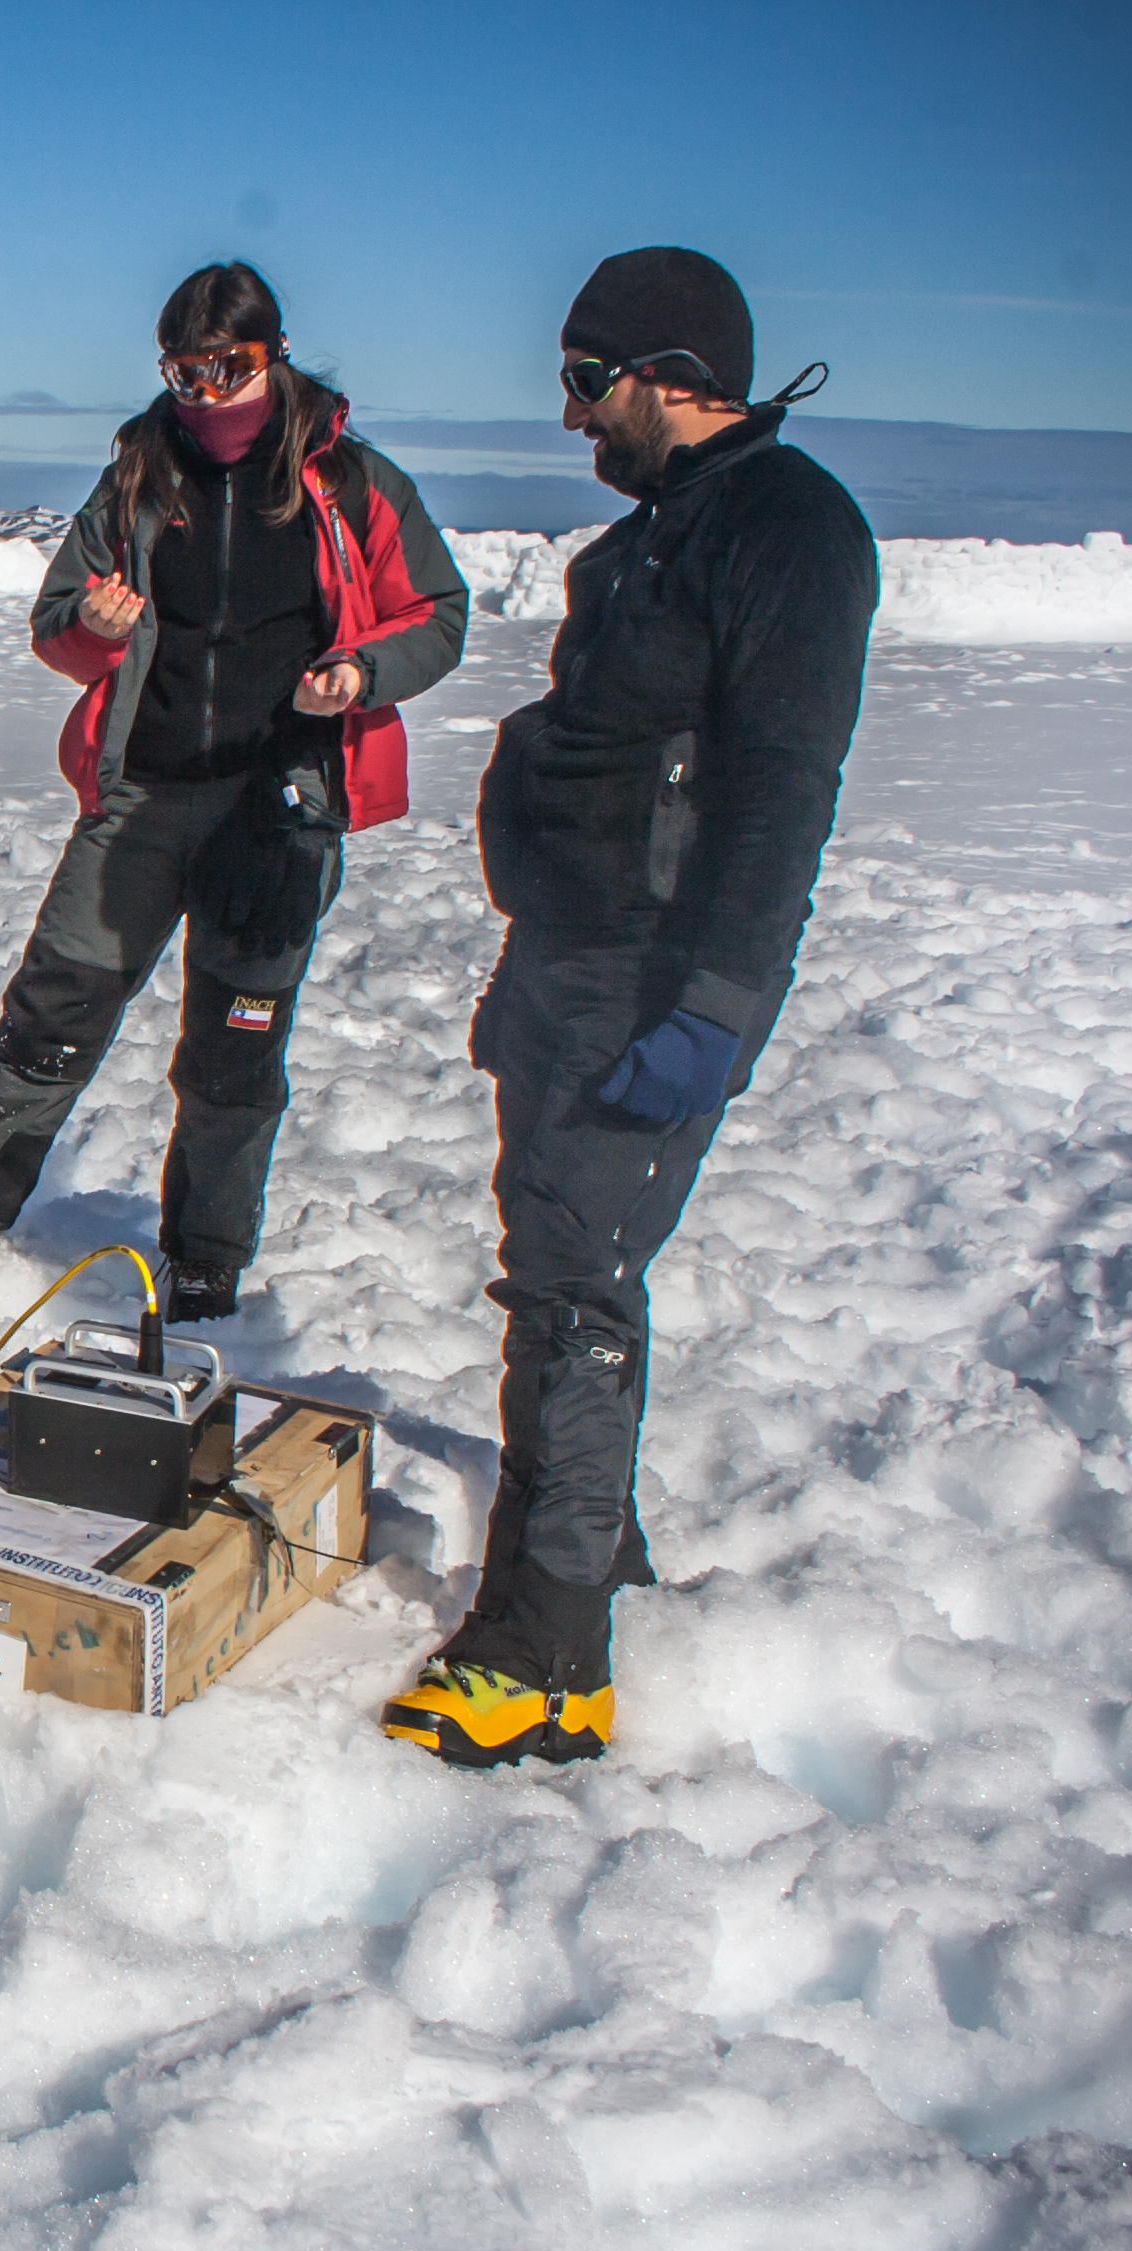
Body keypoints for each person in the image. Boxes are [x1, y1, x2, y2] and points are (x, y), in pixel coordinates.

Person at [382, 248, 874, 1768]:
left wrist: (716, 1006)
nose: (573, 416)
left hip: (658, 981)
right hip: (575, 963)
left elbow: (782, 786)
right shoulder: (655, 535)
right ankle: (597, 1549)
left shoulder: (788, 529)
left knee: (576, 1292)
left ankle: (546, 1657)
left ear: (671, 376)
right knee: (555, 1261)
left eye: (586, 385)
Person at [0, 262, 468, 1321]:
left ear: (272, 355)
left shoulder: (352, 483)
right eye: (183, 372)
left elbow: (435, 614)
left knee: (234, 1046)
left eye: (227, 368)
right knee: (49, 1015)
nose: (205, 393)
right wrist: (91, 629)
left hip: (279, 804)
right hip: (144, 800)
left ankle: (204, 1260)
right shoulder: (139, 476)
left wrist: (362, 675)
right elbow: (57, 619)